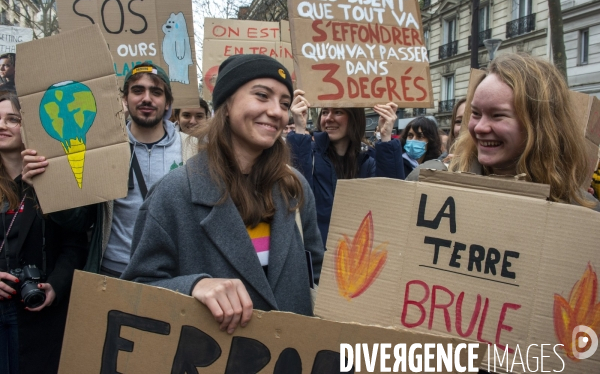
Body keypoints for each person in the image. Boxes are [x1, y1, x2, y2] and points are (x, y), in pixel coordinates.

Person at [121, 54, 324, 334]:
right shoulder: (173, 193)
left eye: (284, 103)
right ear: (226, 105)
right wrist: (193, 286)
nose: (277, 111)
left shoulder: (295, 187)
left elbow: (318, 274)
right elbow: (136, 291)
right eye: (262, 96)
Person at [21, 63, 198, 277]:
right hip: (113, 272)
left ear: (168, 102)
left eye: (156, 92)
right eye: (138, 90)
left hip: (174, 274)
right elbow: (80, 220)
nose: (147, 98)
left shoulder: (194, 149)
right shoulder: (101, 147)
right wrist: (47, 187)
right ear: (124, 98)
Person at [0, 93, 87, 374]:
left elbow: (74, 243)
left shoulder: (51, 179)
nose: (2, 126)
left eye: (12, 119)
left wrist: (56, 286)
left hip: (38, 316)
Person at [450, 53, 598, 210]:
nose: (480, 127)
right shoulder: (431, 184)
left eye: (498, 115)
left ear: (540, 125)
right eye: (476, 113)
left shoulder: (585, 212)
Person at [287, 93, 404, 246]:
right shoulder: (308, 155)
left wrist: (386, 137)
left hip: (354, 256)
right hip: (315, 256)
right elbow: (295, 195)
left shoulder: (367, 163)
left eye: (338, 112)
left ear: (355, 118)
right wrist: (300, 131)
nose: (328, 118)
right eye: (325, 112)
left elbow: (393, 198)